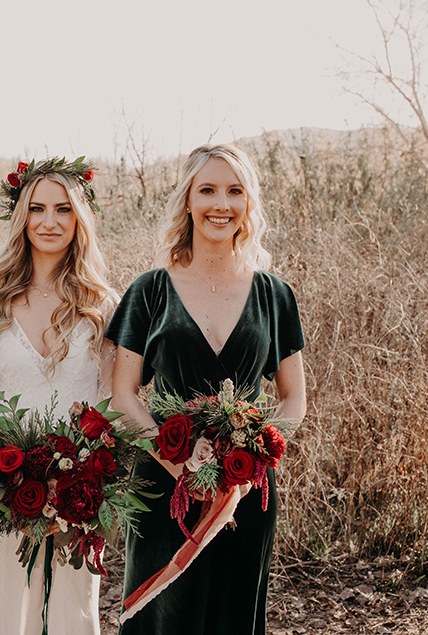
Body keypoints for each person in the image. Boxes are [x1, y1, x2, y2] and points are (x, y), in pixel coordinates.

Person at [107, 143, 307, 635]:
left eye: (235, 191)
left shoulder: (275, 295)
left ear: (248, 203)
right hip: (163, 486)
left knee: (233, 615)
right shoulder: (149, 290)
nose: (222, 203)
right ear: (188, 201)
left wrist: (251, 451)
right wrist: (179, 460)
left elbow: (294, 399)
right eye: (208, 190)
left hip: (244, 492)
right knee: (163, 617)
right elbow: (123, 395)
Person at [0, 158, 118, 635]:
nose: (49, 222)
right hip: (6, 489)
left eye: (63, 210)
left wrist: (76, 483)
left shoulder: (102, 306)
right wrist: (5, 482)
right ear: (21, 218)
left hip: (80, 491)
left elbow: (108, 402)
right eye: (37, 209)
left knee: (71, 609)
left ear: (80, 220)